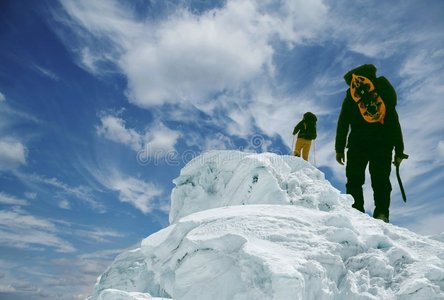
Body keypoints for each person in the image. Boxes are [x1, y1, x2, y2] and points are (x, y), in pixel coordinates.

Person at [335, 64, 407, 223]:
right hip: (383, 142)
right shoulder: (382, 89)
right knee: (381, 179)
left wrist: (339, 148)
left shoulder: (351, 95)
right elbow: (394, 120)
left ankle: (356, 211)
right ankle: (382, 213)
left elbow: (343, 122)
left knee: (354, 179)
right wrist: (399, 150)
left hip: (357, 143)